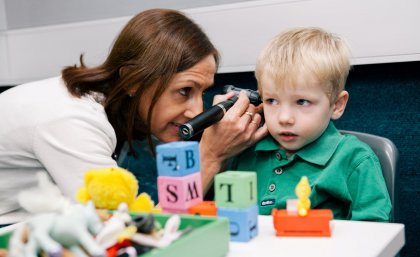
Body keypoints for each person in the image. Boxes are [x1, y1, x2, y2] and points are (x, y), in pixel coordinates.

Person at [0, 9, 267, 224]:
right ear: (131, 80)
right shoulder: (71, 122)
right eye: (184, 91)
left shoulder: (110, 105)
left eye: (202, 92)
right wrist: (211, 156)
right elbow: (126, 234)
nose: (196, 111)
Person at [229, 27, 391, 221]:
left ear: (337, 105)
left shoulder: (354, 160)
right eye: (272, 101)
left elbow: (376, 238)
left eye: (302, 102)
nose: (284, 118)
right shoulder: (246, 151)